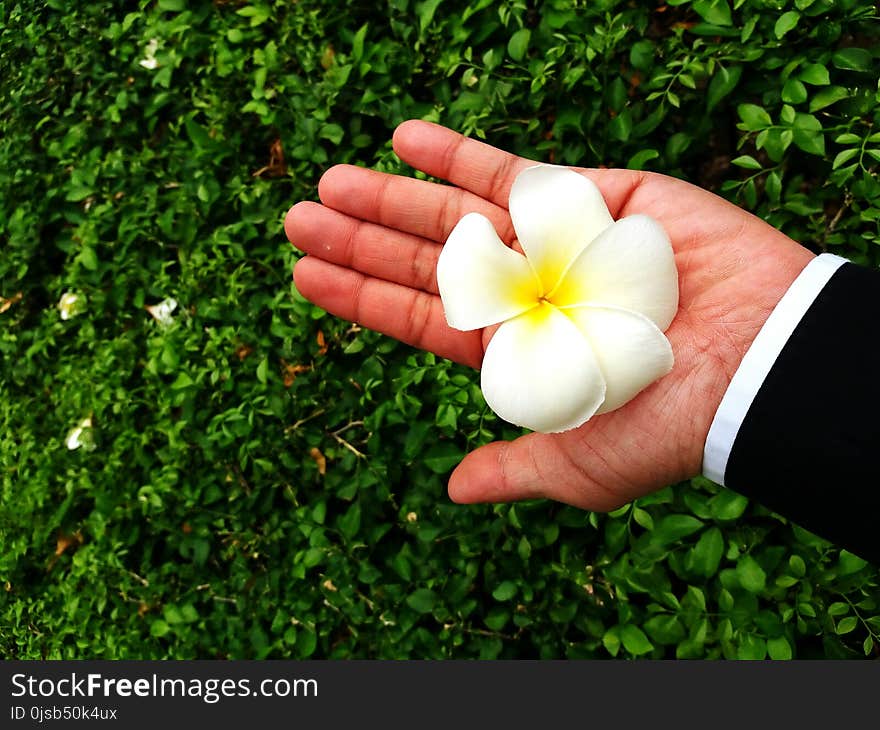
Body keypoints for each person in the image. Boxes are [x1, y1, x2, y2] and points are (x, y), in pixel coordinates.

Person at [285, 120, 879, 565]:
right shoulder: (495, 281)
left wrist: (758, 346)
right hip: (552, 302)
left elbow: (637, 334)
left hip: (569, 297)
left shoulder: (581, 250)